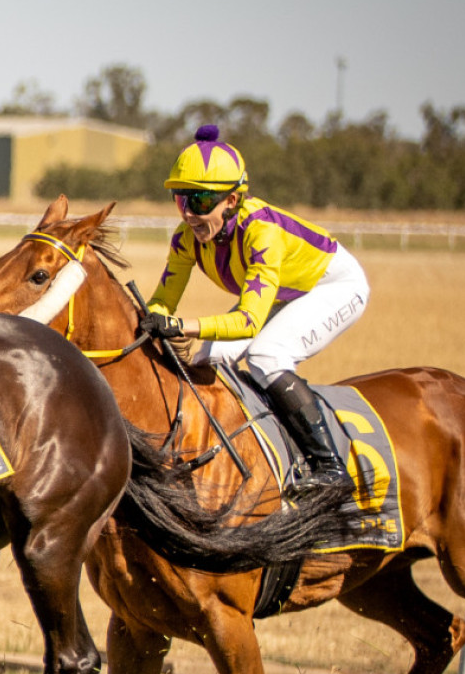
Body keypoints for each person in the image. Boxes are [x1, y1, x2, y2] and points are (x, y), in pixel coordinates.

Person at [138, 126, 368, 492]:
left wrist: (180, 325)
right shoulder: (185, 239)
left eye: (200, 203)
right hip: (284, 292)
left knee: (266, 356)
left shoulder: (262, 232)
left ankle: (329, 468)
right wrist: (149, 318)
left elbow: (247, 322)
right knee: (205, 362)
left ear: (232, 200)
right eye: (181, 201)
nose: (190, 215)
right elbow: (163, 301)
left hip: (334, 285)